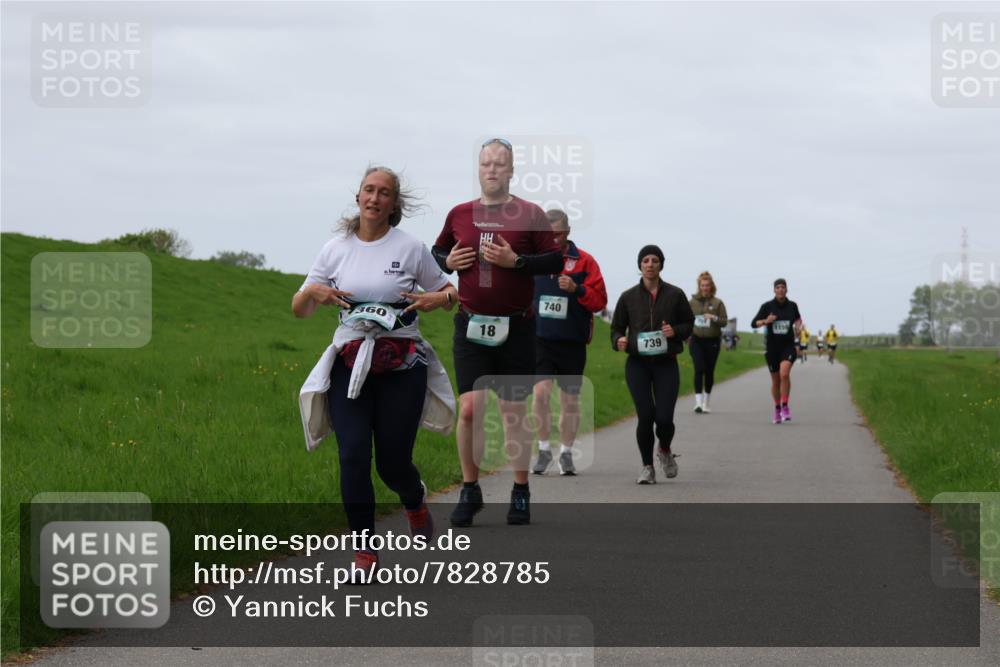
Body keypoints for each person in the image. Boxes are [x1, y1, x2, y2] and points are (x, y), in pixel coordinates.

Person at [295, 166, 458, 580]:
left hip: (402, 366)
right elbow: (300, 307)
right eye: (369, 190)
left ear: (393, 203)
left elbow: (451, 293)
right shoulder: (335, 248)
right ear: (358, 197)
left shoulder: (410, 248)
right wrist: (312, 292)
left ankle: (413, 498)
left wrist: (433, 300)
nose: (375, 198)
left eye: (384, 192)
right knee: (351, 456)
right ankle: (364, 554)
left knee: (392, 463)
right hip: (350, 365)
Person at [432, 138, 562, 526]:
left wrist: (517, 260)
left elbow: (554, 259)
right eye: (486, 163)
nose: (492, 169)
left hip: (517, 329)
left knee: (512, 414)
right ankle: (470, 489)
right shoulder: (459, 214)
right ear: (479, 168)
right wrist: (448, 259)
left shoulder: (530, 214)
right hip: (471, 325)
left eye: (500, 164)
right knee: (469, 408)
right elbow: (436, 252)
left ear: (510, 170)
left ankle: (520, 490)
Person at [530, 209, 608, 476]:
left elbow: (600, 301)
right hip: (539, 339)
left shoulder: (585, 262)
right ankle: (542, 450)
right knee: (540, 394)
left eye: (558, 235)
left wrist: (578, 289)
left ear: (568, 232)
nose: (553, 239)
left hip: (572, 341)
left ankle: (565, 453)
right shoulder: (534, 260)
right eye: (548, 235)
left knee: (569, 401)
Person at [610, 245, 694, 484]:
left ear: (661, 265)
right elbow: (616, 328)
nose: (649, 264)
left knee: (664, 419)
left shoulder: (675, 295)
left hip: (666, 363)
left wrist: (674, 331)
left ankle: (664, 450)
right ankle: (647, 467)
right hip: (637, 364)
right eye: (645, 260)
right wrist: (619, 340)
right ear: (640, 265)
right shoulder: (628, 297)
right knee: (646, 416)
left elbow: (689, 323)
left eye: (654, 260)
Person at [751, 278, 803, 424]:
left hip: (788, 346)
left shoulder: (792, 306)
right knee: (775, 380)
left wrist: (799, 327)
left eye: (783, 287)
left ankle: (785, 406)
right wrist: (765, 321)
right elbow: (753, 323)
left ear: (786, 290)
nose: (780, 289)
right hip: (772, 348)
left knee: (784, 374)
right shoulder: (767, 306)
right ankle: (777, 408)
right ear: (774, 290)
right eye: (778, 287)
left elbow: (798, 319)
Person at [688, 271, 728, 414]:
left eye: (707, 285)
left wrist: (714, 318)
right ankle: (698, 403)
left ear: (711, 286)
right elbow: (685, 319)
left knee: (709, 371)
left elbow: (724, 321)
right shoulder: (692, 302)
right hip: (696, 340)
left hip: (712, 341)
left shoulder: (718, 303)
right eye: (702, 285)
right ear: (699, 286)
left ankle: (706, 402)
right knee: (699, 369)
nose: (705, 288)